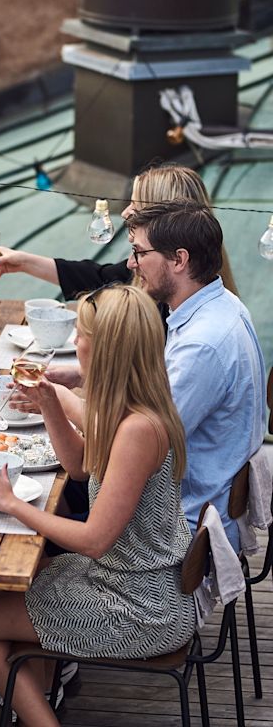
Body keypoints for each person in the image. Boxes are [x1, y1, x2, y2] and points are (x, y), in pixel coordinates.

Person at [0, 284, 195, 726]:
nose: (74, 343)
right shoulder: (136, 409)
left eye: (82, 334)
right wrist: (51, 405)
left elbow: (94, 540)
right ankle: (43, 692)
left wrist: (11, 502)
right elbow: (82, 468)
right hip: (133, 581)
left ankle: (40, 716)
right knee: (9, 582)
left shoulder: (138, 429)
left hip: (139, 606)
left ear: (105, 348)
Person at [125, 202, 265, 547]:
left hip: (178, 525)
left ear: (179, 260)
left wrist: (61, 403)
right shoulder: (221, 304)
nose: (131, 264)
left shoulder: (203, 345)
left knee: (50, 508)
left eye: (139, 252)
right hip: (204, 500)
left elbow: (144, 441)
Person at [0, 162, 238, 301]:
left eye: (136, 205)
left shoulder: (175, 301)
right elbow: (102, 278)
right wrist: (24, 262)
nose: (125, 213)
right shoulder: (178, 277)